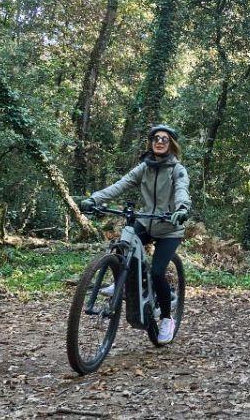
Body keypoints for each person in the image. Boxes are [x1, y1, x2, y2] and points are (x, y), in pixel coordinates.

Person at [79, 124, 191, 344]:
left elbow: (181, 190)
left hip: (170, 227)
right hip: (147, 221)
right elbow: (120, 185)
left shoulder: (177, 170)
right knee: (126, 239)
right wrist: (95, 199)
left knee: (157, 272)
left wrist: (181, 209)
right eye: (156, 138)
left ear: (171, 144)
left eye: (165, 139)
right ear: (151, 142)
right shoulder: (145, 167)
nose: (159, 142)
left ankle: (166, 318)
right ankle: (123, 279)